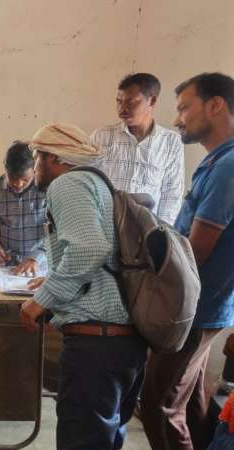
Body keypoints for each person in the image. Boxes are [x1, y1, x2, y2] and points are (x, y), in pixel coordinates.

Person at [19, 123, 147, 450]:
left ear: (54, 157)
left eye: (37, 157)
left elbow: (90, 248)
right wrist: (55, 278)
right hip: (124, 343)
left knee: (82, 441)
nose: (35, 166)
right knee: (104, 439)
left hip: (96, 345)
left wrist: (41, 300)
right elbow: (100, 253)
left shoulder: (68, 183)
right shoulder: (98, 183)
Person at [141, 72, 234, 450]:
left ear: (216, 105)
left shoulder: (227, 167)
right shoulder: (218, 162)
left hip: (196, 309)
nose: (178, 118)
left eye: (184, 108)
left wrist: (149, 275)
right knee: (192, 404)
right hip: (204, 308)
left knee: (159, 406)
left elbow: (197, 251)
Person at [91, 72, 185, 223]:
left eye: (131, 101)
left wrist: (162, 232)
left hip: (147, 230)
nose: (122, 108)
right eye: (119, 101)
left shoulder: (170, 142)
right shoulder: (101, 137)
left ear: (152, 100)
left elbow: (172, 195)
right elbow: (88, 184)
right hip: (105, 227)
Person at [0, 141, 47, 276]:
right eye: (12, 178)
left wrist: (35, 258)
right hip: (7, 268)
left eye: (25, 179)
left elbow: (58, 231)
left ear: (34, 170)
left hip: (40, 267)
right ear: (5, 170)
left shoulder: (47, 189)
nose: (18, 184)